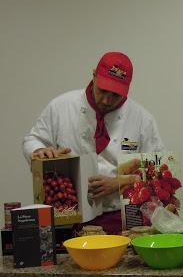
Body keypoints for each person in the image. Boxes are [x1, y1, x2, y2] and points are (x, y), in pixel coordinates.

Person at [23, 51, 164, 234]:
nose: (106, 100)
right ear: (94, 75)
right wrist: (40, 150)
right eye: (102, 90)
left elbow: (159, 170)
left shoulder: (142, 119)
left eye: (115, 95)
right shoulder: (61, 107)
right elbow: (32, 139)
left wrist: (118, 183)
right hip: (69, 215)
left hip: (121, 218)